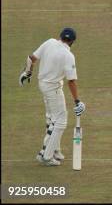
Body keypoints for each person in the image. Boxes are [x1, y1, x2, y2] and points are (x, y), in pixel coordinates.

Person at [19, 27, 86, 166]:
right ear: (72, 41)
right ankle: (46, 156)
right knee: (60, 121)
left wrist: (27, 72)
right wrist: (77, 101)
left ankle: (55, 150)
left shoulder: (49, 42)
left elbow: (31, 58)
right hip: (53, 89)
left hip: (43, 85)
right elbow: (71, 81)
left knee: (51, 117)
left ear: (60, 36)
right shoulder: (68, 56)